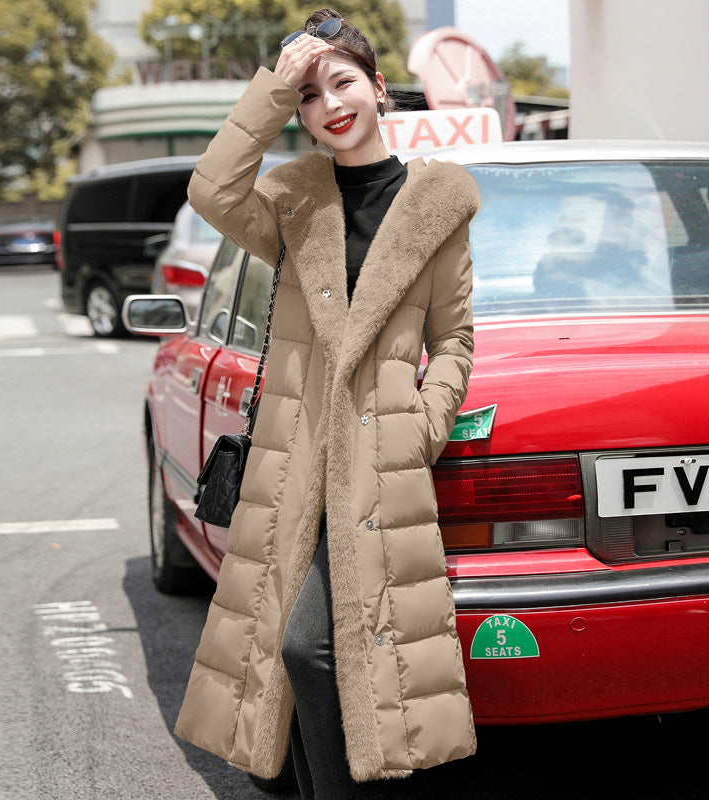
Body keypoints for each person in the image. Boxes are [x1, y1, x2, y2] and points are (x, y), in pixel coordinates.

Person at [174, 9, 479, 798]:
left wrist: (424, 422)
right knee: (293, 647)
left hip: (380, 466)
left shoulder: (437, 204)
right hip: (297, 460)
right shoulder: (292, 203)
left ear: (379, 88)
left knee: (331, 651)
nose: (328, 104)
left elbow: (454, 341)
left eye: (342, 83)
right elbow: (211, 187)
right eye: (309, 96)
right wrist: (273, 86)